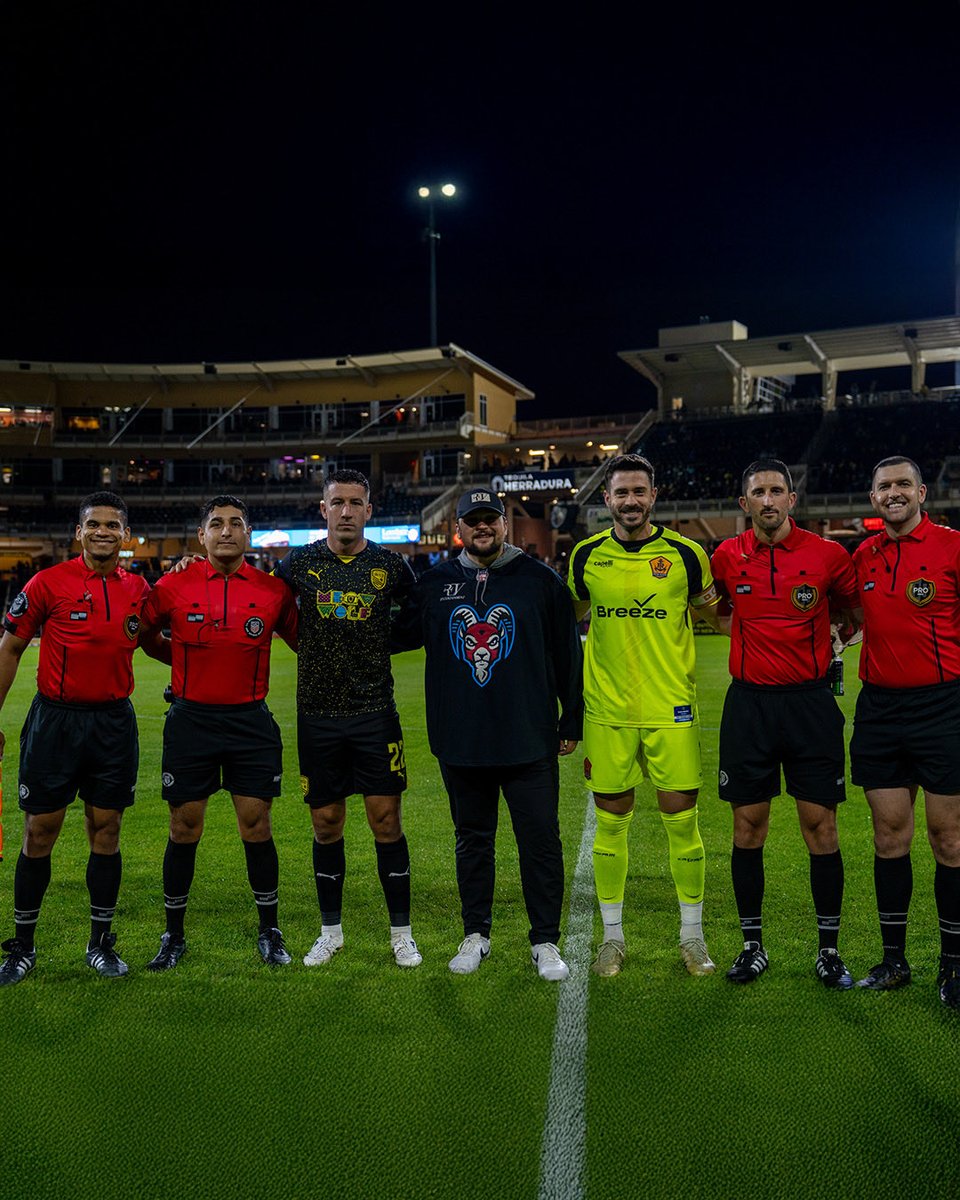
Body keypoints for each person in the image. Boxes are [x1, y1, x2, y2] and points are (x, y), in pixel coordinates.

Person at [413, 487, 583, 980]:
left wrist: (570, 720)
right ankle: (476, 934)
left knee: (540, 842)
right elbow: (395, 630)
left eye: (491, 519)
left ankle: (545, 941)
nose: (482, 527)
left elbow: (568, 655)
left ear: (505, 524)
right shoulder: (435, 583)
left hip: (528, 738)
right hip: (461, 741)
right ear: (459, 528)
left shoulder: (541, 582)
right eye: (473, 520)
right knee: (472, 841)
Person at [0, 492, 169, 985]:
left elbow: (154, 641)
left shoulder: (139, 589)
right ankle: (23, 947)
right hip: (55, 722)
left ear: (125, 534)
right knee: (39, 833)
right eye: (93, 523)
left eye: (112, 525)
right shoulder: (47, 583)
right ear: (79, 532)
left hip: (113, 724)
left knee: (107, 831)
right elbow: (10, 647)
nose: (102, 531)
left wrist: (200, 665)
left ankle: (100, 944)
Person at [567, 453, 720, 978]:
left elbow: (714, 615)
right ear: (605, 499)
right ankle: (612, 940)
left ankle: (692, 939)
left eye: (639, 492)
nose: (630, 501)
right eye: (621, 493)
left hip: (670, 709)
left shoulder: (687, 554)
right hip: (607, 712)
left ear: (654, 497)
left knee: (683, 823)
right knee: (611, 825)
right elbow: (569, 620)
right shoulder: (585, 556)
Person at [711, 460, 860, 987]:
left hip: (810, 705)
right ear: (744, 504)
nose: (768, 500)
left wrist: (841, 638)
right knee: (748, 825)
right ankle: (752, 946)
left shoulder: (829, 555)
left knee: (820, 825)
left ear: (792, 500)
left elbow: (853, 607)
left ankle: (828, 950)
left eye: (777, 491)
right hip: (748, 706)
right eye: (759, 492)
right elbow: (716, 607)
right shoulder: (726, 556)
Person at [139, 495, 299, 970]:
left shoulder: (273, 591)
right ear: (202, 536)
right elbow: (146, 635)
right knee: (184, 826)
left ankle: (269, 930)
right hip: (191, 722)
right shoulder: (172, 586)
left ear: (247, 534)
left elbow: (304, 640)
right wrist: (182, 664)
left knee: (257, 823)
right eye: (216, 524)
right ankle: (173, 935)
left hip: (250, 721)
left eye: (235, 524)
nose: (226, 531)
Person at [274, 469, 422, 969]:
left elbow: (420, 615)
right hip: (317, 717)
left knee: (386, 822)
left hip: (374, 714)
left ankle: (401, 933)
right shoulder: (299, 563)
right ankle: (330, 932)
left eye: (355, 502)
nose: (346, 511)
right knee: (326, 824)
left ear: (368, 511)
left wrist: (384, 641)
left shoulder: (390, 566)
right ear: (323, 509)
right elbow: (264, 605)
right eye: (337, 502)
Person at [850, 457, 960, 1009]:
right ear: (873, 498)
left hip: (943, 707)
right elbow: (846, 614)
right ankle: (894, 961)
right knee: (889, 836)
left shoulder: (952, 547)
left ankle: (954, 966)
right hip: (880, 710)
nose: (893, 494)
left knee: (950, 839)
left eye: (901, 485)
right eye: (883, 487)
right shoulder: (863, 554)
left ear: (921, 491)